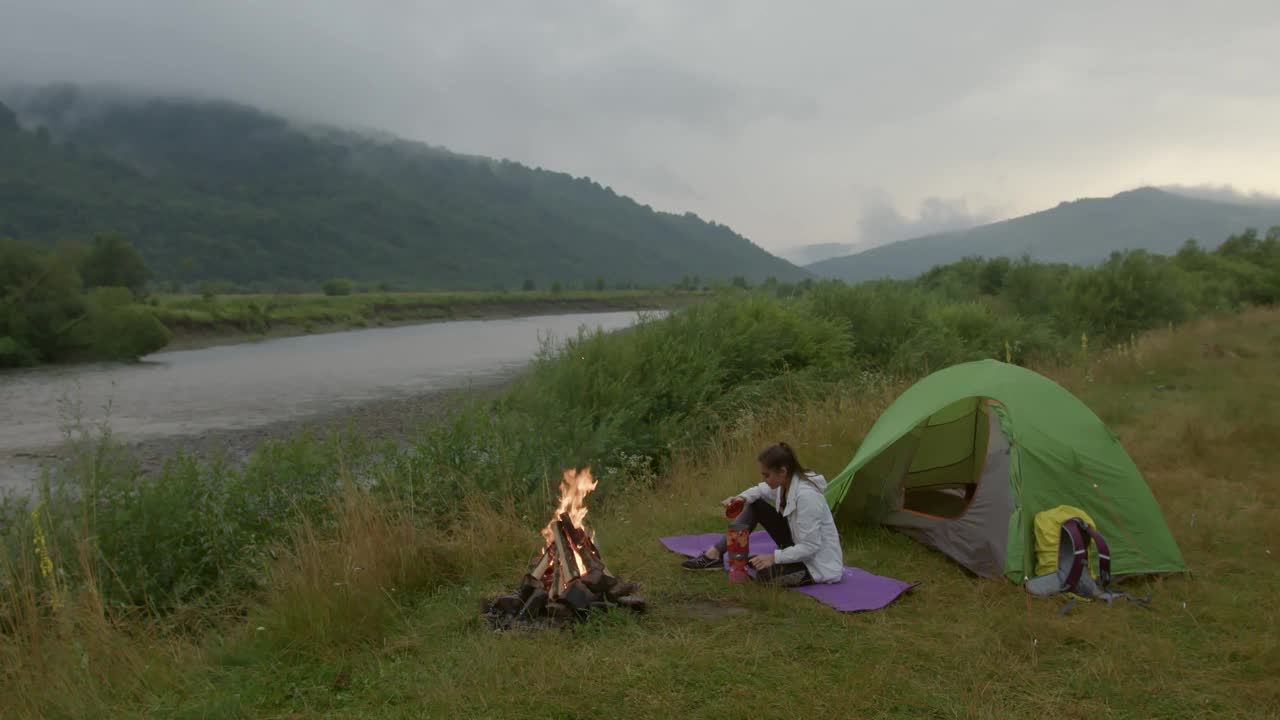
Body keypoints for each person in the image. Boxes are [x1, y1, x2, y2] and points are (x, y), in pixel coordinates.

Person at [681, 441, 844, 586]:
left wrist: (773, 558)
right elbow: (759, 490)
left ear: (783, 471)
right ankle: (714, 555)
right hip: (796, 544)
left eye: (767, 475)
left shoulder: (807, 497)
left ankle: (757, 563)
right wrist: (740, 498)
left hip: (816, 564)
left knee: (764, 577)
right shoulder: (784, 483)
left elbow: (810, 547)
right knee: (754, 504)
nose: (764, 479)